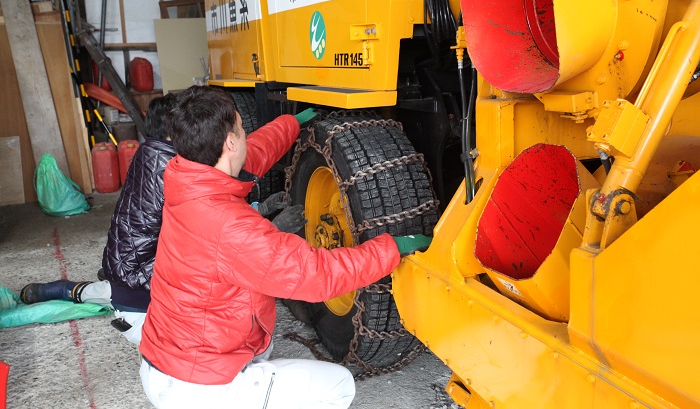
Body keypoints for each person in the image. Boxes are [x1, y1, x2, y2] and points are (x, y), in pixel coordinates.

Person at [138, 85, 431, 409]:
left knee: (264, 350)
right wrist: (392, 248)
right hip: (198, 387)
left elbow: (254, 154)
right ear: (231, 141)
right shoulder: (229, 226)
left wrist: (293, 123)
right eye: (241, 127)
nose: (246, 135)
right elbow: (315, 275)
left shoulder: (186, 177)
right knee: (337, 385)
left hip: (167, 361)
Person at [19, 94, 305, 346]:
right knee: (231, 294)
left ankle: (59, 289)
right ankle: (68, 290)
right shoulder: (178, 177)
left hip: (128, 277)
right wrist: (268, 223)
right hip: (153, 309)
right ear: (175, 137)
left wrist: (293, 122)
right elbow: (220, 244)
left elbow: (253, 152)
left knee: (108, 293)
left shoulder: (154, 157)